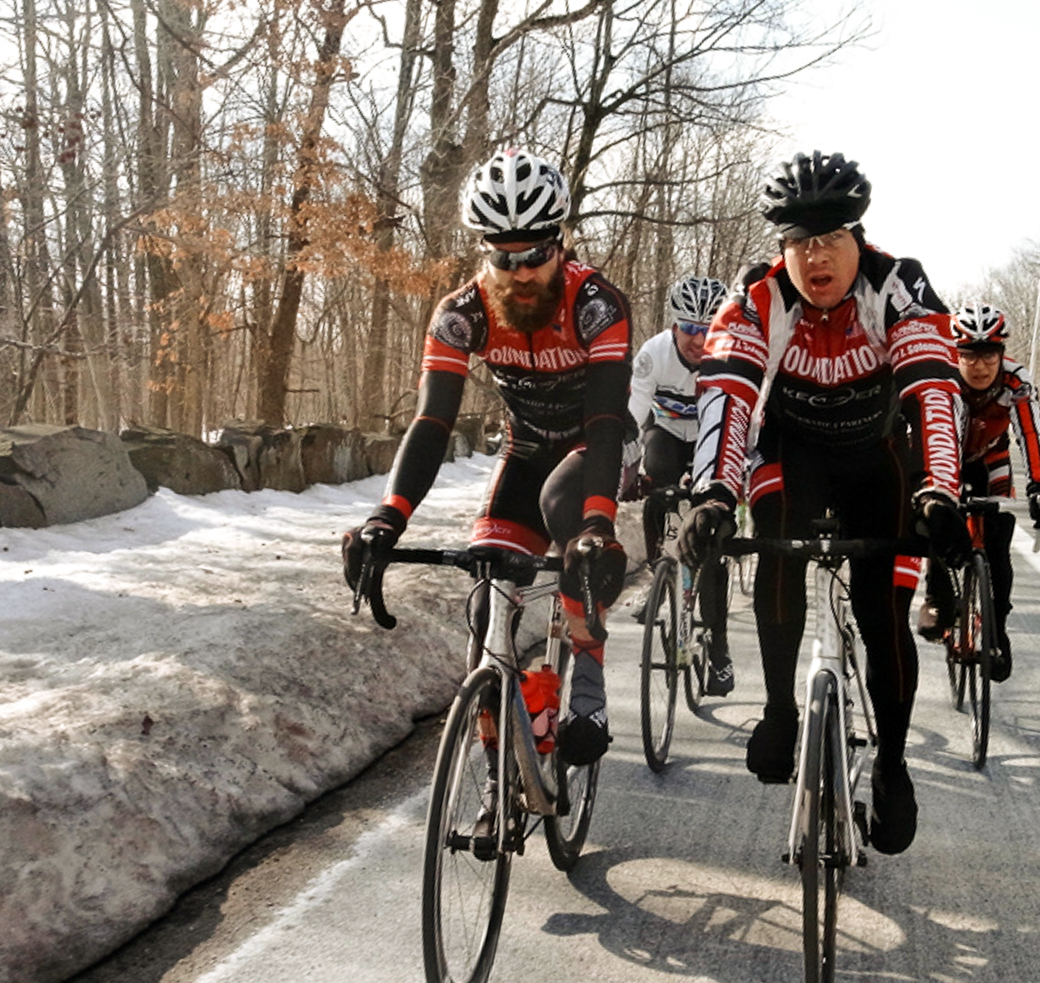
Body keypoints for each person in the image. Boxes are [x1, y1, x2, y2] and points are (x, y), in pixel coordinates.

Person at [680, 150, 971, 856]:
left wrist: (940, 490)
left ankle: (893, 764)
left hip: (877, 457)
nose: (817, 256)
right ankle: (780, 709)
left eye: (833, 238)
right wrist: (713, 492)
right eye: (801, 241)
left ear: (858, 238)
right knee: (774, 534)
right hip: (795, 452)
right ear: (782, 248)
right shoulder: (757, 296)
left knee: (882, 608)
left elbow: (933, 388)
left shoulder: (897, 284)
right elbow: (728, 394)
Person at [342, 146, 632, 767]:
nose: (521, 273)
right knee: (487, 592)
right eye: (504, 257)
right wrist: (387, 518)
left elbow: (607, 419)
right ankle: (502, 770)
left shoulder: (595, 303)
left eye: (536, 255)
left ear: (561, 243)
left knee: (564, 508)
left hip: (596, 445)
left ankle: (588, 679)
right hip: (525, 450)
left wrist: (598, 525)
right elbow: (431, 422)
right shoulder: (460, 313)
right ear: (483, 252)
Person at [917, 302, 1040, 681]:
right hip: (944, 457)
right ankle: (937, 596)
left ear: (1001, 353)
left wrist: (1039, 486)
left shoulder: (1016, 380)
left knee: (997, 538)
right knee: (938, 516)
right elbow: (933, 436)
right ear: (955, 354)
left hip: (990, 458)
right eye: (969, 356)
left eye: (989, 356)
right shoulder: (942, 378)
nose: (980, 367)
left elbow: (1030, 432)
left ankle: (998, 630)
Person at [625, 275, 736, 695]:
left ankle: (720, 650)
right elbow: (633, 415)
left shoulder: (729, 356)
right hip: (667, 432)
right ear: (674, 325)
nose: (699, 339)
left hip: (710, 437)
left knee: (712, 540)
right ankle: (660, 570)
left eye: (708, 329)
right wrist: (625, 468)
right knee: (659, 487)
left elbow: (742, 421)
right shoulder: (654, 354)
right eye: (690, 328)